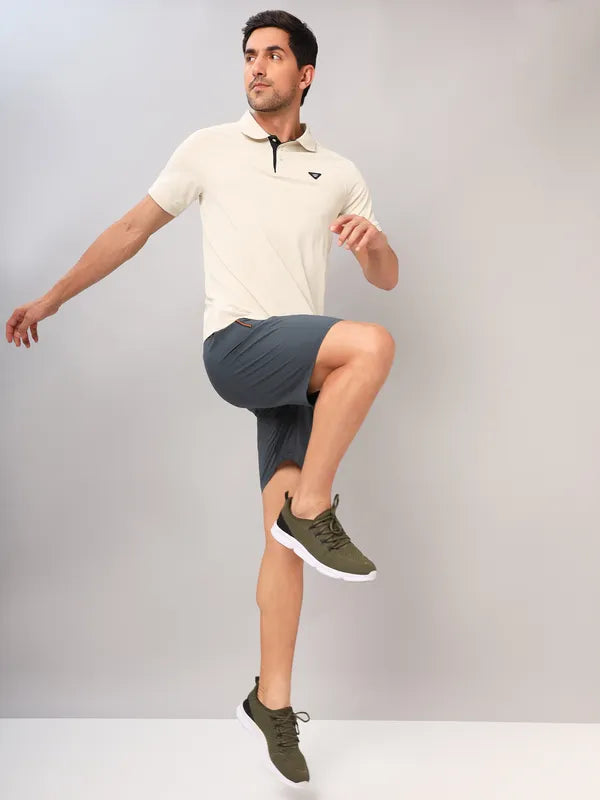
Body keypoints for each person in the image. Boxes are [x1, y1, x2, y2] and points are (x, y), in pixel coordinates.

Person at [5, 9, 398, 788]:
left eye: (273, 55)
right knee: (373, 346)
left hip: (298, 368)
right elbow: (131, 229)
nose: (256, 66)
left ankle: (271, 701)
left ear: (304, 75)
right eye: (249, 54)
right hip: (240, 345)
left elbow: (384, 276)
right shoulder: (209, 149)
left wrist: (374, 245)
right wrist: (50, 298)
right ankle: (313, 509)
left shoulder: (339, 173)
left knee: (281, 547)